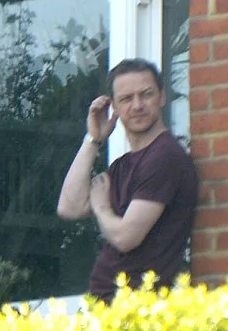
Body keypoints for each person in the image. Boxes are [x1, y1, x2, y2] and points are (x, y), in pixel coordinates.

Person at [57, 58, 198, 304]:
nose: (137, 105)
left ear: (162, 97)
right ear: (114, 107)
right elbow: (69, 207)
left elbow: (126, 238)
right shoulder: (123, 166)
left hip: (137, 307)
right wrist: (93, 140)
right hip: (110, 304)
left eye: (146, 94)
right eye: (126, 99)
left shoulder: (165, 157)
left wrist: (102, 208)